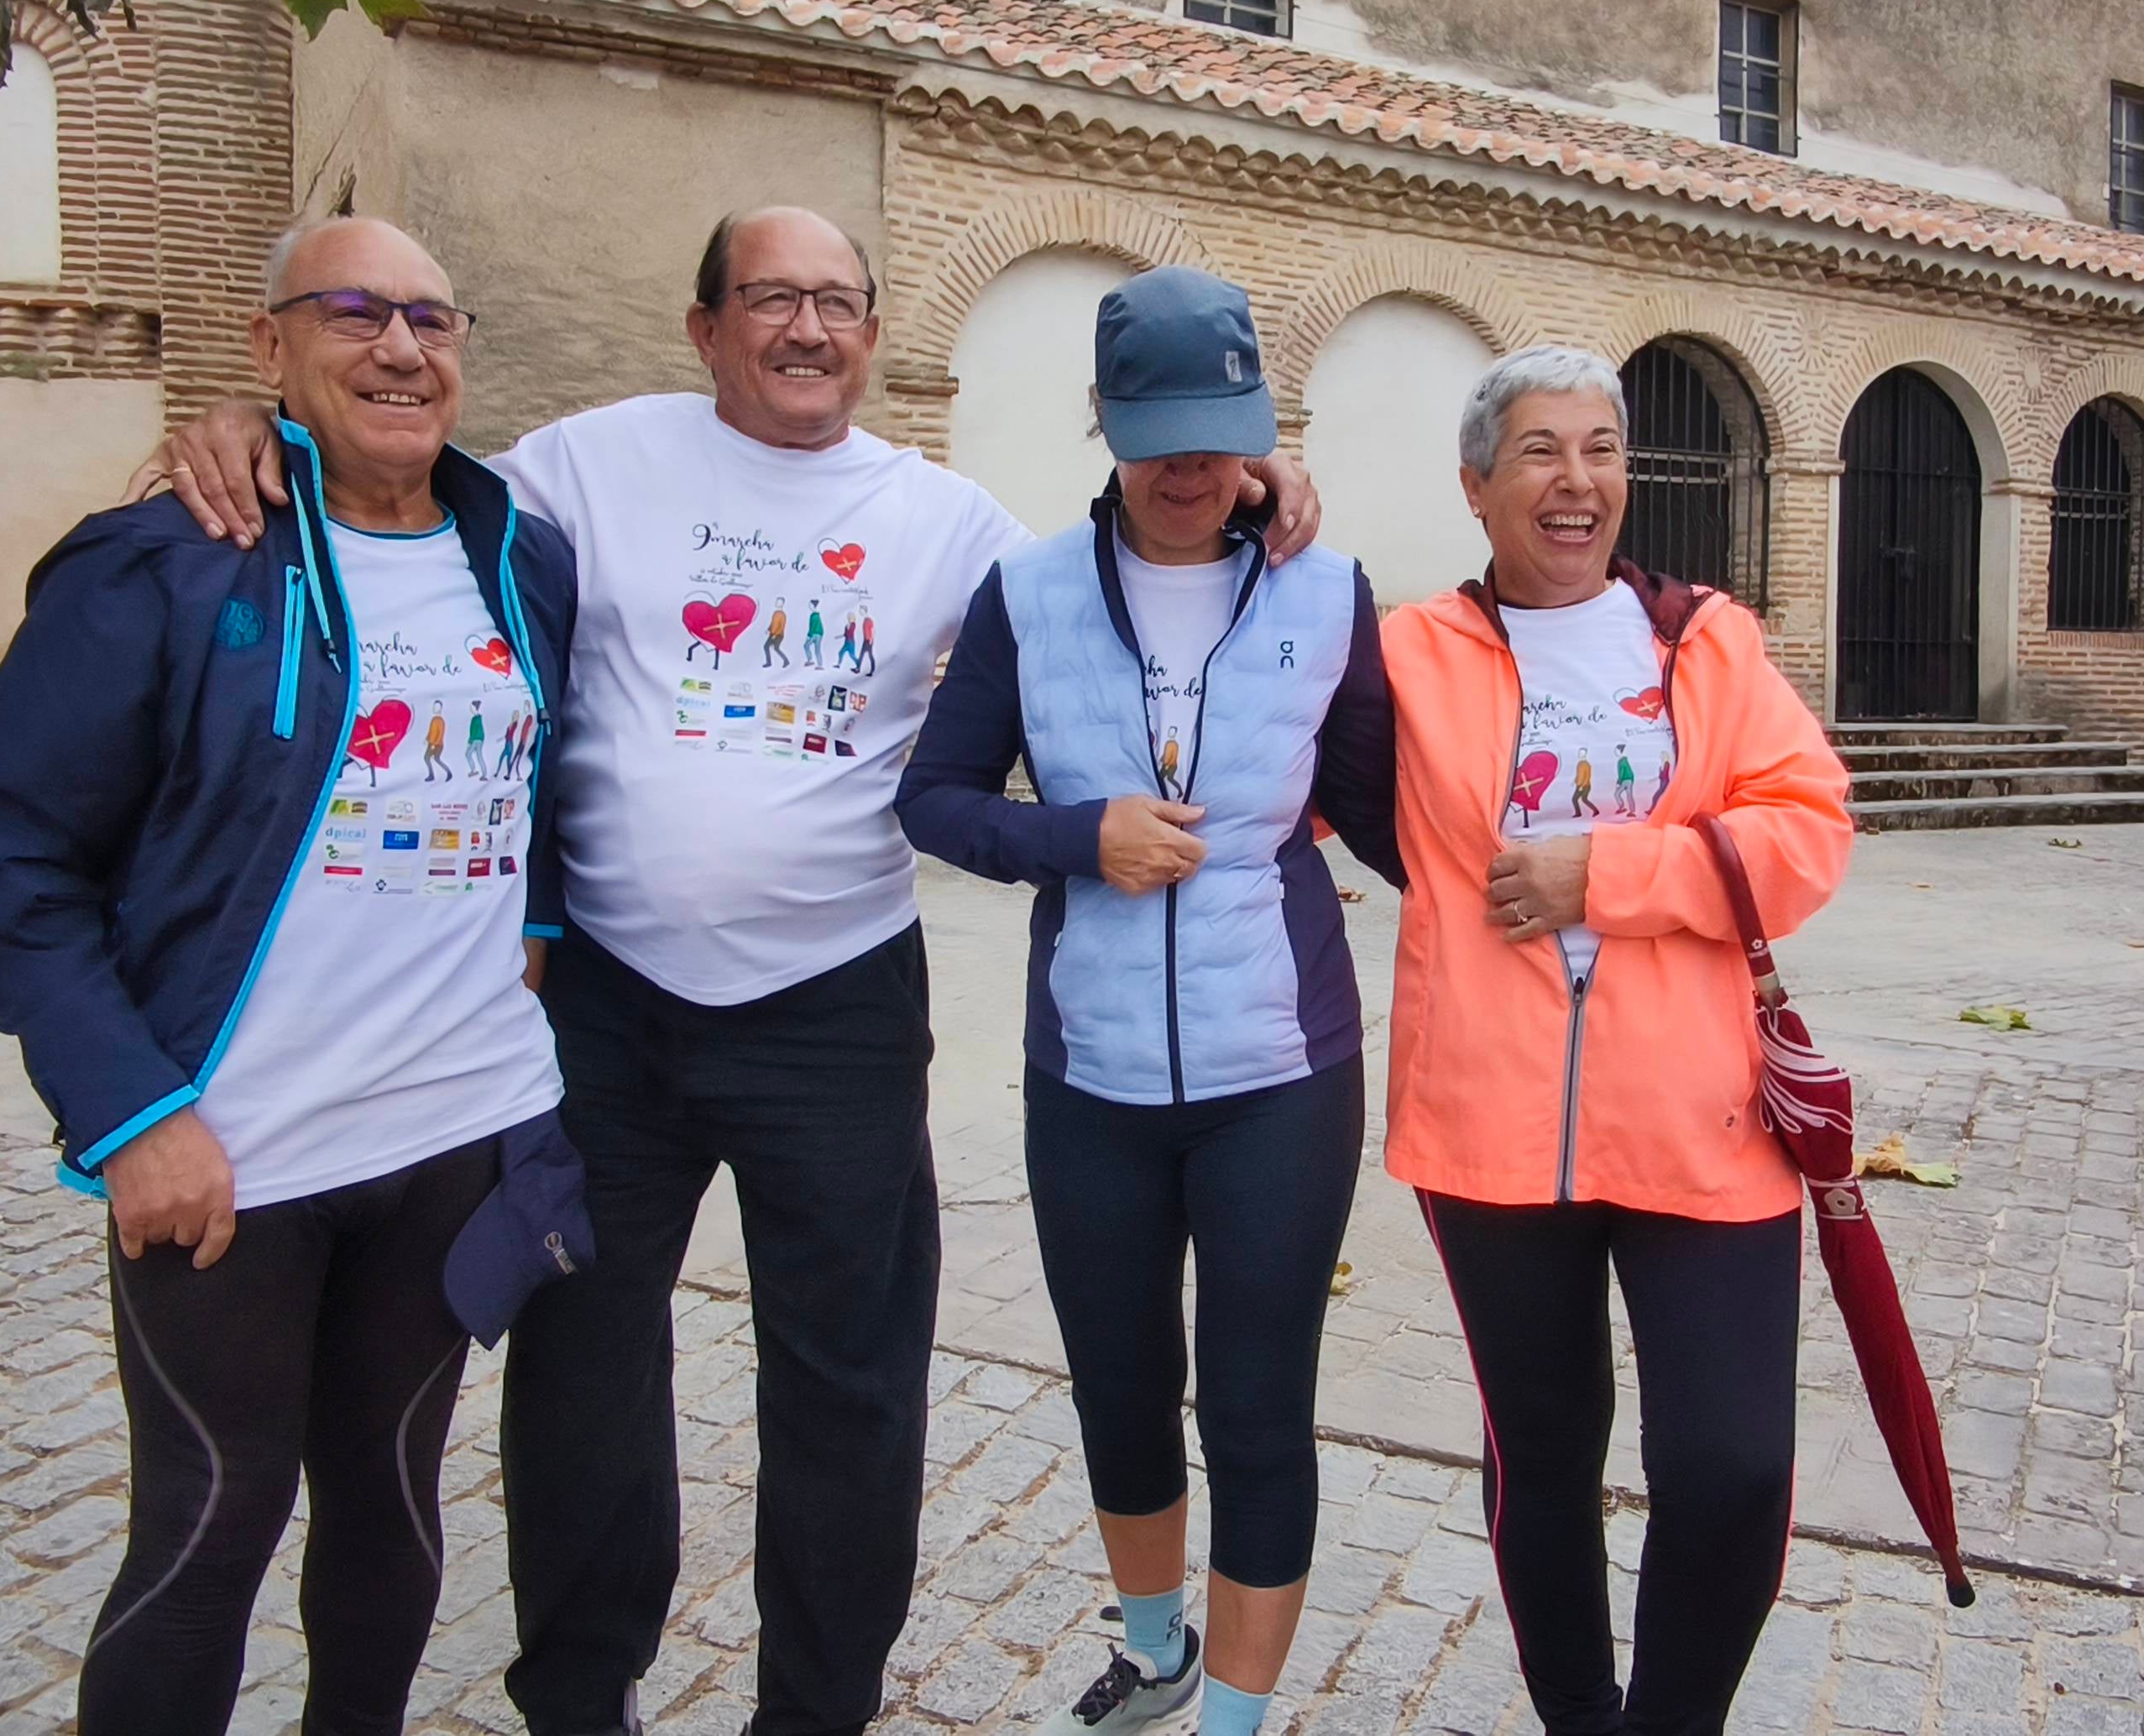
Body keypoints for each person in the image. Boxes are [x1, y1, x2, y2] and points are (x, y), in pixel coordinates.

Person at [139, 206, 1326, 1736]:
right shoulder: (582, 461)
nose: (807, 330)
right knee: (583, 1369)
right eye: (770, 298)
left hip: (833, 1008)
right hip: (604, 1015)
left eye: (839, 302)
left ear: (876, 337)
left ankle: (814, 1712)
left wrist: (1259, 482)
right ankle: (579, 1698)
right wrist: (247, 426)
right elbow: (388, 461)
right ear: (705, 328)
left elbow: (1119, 561)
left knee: (850, 1388)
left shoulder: (949, 523)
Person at [0, 217, 592, 1736]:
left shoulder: (519, 557)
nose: (400, 349)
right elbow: (6, 852)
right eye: (353, 313)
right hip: (232, 1151)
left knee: (394, 1508)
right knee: (208, 1527)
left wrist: (533, 947)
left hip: (456, 1134)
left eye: (432, 318)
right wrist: (126, 1110)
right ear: (269, 346)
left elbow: (545, 779)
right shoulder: (168, 559)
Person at [897, 267, 1399, 1736]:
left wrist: (1546, 890)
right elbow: (934, 800)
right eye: (1158, 430)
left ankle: (1233, 1722)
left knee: (1255, 1406)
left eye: (1219, 428)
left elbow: (1382, 812)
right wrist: (1077, 837)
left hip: (1280, 1072)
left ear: (1260, 424)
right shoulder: (1029, 591)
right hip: (1092, 1072)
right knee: (1120, 1383)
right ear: (1104, 423)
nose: (1190, 465)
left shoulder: (1326, 589)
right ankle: (1156, 1645)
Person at [1378, 346, 1853, 1736]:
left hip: (1700, 1119)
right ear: (1477, 486)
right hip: (1491, 1128)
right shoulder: (1406, 652)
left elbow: (1809, 832)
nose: (1574, 478)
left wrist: (1609, 876)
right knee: (1543, 1459)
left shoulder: (1710, 642)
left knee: (1732, 1465)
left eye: (1601, 448)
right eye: (1536, 450)